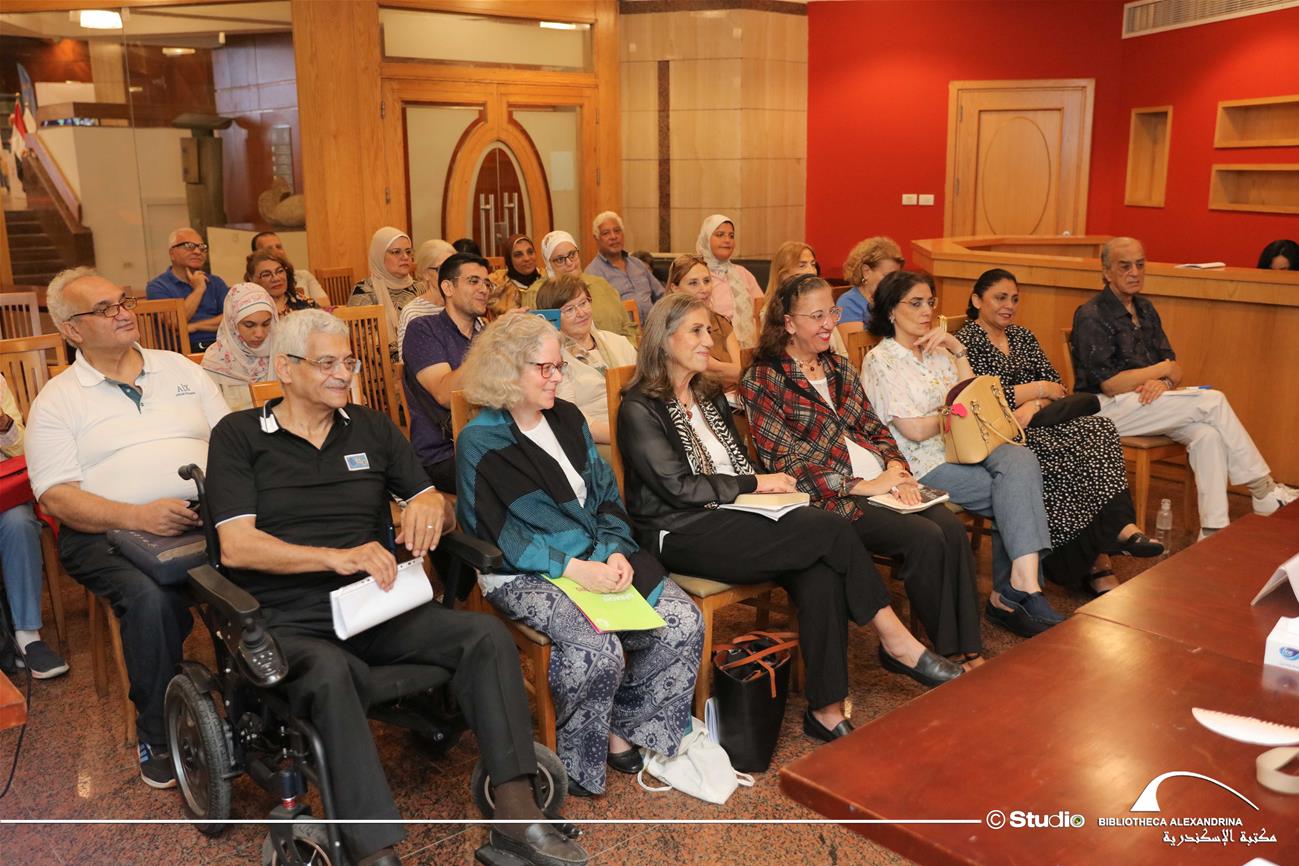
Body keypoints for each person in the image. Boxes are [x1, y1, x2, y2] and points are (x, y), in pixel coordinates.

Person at [204, 309, 585, 866]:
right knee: (331, 673)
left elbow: (432, 500)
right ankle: (374, 852)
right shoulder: (239, 435)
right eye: (327, 363)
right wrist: (336, 557)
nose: (343, 374)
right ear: (284, 368)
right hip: (288, 618)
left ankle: (516, 815)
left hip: (373, 605)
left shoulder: (371, 428)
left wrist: (430, 507)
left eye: (349, 362)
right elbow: (237, 546)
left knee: (483, 637)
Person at [620, 295, 961, 743]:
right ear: (664, 340)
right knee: (828, 529)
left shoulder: (706, 395)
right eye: (697, 332)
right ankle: (896, 640)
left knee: (820, 567)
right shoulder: (640, 407)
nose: (708, 342)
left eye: (709, 331)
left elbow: (737, 461)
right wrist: (756, 484)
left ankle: (826, 709)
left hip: (738, 513)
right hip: (680, 530)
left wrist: (765, 489)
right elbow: (678, 489)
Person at [455, 312, 703, 797]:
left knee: (682, 622)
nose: (556, 377)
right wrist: (573, 569)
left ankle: (627, 724)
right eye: (544, 368)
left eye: (559, 367)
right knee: (596, 650)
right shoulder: (480, 442)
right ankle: (580, 760)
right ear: (507, 369)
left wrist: (612, 551)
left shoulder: (567, 417)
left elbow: (607, 494)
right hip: (526, 571)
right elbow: (498, 534)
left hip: (598, 552)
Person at [27, 267, 229, 786]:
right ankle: (159, 734)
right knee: (151, 599)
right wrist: (137, 515)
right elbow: (56, 496)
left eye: (123, 301)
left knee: (264, 558)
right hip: (105, 533)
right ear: (72, 329)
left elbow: (231, 441)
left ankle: (263, 697)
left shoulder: (179, 368)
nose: (122, 313)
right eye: (104, 309)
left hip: (202, 513)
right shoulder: (58, 399)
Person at [740, 276, 984, 666]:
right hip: (833, 498)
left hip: (882, 482)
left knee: (951, 530)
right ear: (788, 323)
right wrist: (862, 485)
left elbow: (875, 428)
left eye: (832, 313)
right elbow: (784, 462)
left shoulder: (838, 368)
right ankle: (943, 652)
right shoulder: (763, 379)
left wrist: (896, 467)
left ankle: (969, 647)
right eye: (816, 316)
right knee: (924, 537)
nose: (828, 324)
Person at [862, 270, 1065, 638]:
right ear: (891, 310)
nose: (926, 311)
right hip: (921, 463)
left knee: (1022, 460)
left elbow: (975, 400)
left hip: (967, 446)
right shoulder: (881, 360)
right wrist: (956, 416)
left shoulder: (941, 350)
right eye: (915, 303)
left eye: (930, 302)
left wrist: (958, 350)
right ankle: (1015, 595)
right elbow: (914, 430)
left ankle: (1019, 588)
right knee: (1015, 491)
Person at [1070, 237, 1297, 538]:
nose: (1135, 272)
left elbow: (1175, 367)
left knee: (1207, 434)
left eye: (1140, 264)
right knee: (1212, 400)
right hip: (1104, 409)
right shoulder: (1091, 314)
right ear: (1106, 271)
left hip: (1147, 402)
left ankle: (1213, 531)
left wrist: (1163, 382)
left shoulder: (1145, 308)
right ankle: (1262, 489)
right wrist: (1160, 371)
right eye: (1125, 266)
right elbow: (1111, 384)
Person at [958, 268, 1163, 594]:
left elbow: (1058, 387)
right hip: (1001, 434)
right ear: (977, 300)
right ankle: (1101, 556)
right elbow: (982, 397)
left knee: (1100, 427)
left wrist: (1034, 403)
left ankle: (1118, 531)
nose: (1009, 305)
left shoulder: (1022, 336)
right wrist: (1037, 390)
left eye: (1015, 299)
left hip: (1041, 422)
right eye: (1000, 298)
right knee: (1078, 452)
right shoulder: (966, 342)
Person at [401, 252, 490, 493]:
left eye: (486, 283)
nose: (483, 289)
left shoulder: (484, 333)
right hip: (444, 454)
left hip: (490, 440)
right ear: (448, 287)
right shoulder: (423, 329)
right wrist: (491, 344)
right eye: (473, 281)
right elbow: (445, 394)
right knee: (515, 474)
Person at [0, 373, 68, 679]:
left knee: (19, 521)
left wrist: (4, 423)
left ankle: (27, 635)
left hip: (2, 492)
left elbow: (22, 450)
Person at [535, 274, 637, 445]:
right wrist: (622, 436)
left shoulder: (618, 342)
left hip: (636, 427)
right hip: (595, 440)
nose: (581, 313)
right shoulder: (554, 360)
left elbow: (646, 387)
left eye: (583, 303)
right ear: (552, 317)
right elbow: (569, 417)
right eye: (569, 309)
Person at [527, 231, 636, 340]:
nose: (569, 263)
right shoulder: (539, 294)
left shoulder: (600, 284)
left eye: (572, 254)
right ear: (549, 264)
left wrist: (627, 348)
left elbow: (627, 326)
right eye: (560, 259)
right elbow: (536, 339)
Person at [664, 254, 742, 388]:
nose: (704, 289)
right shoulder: (671, 326)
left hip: (731, 395)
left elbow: (738, 369)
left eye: (707, 281)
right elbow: (715, 369)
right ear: (675, 288)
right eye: (693, 283)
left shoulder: (721, 322)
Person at [145, 227, 228, 350]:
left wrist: (195, 326)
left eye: (202, 247)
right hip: (184, 350)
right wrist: (199, 290)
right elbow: (176, 323)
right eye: (189, 246)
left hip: (221, 346)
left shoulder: (216, 282)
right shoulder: (158, 286)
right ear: (172, 253)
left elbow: (231, 319)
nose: (197, 251)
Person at [349, 227, 426, 358]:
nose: (405, 257)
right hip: (383, 365)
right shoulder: (364, 291)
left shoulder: (420, 287)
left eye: (408, 251)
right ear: (379, 255)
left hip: (425, 357)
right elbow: (365, 344)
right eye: (396, 252)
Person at [201, 283, 277, 411]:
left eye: (266, 324)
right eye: (249, 325)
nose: (259, 334)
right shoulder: (215, 358)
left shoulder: (282, 351)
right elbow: (211, 411)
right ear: (233, 323)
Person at [763, 241, 847, 357]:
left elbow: (841, 351)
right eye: (802, 266)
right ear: (783, 274)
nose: (811, 271)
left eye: (813, 264)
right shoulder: (770, 312)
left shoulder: (823, 305)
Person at [584, 211, 664, 324]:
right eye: (606, 233)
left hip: (654, 327)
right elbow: (601, 316)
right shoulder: (593, 273)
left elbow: (661, 295)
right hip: (623, 331)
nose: (613, 237)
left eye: (617, 231)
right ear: (596, 239)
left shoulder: (638, 264)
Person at [696, 214, 763, 348]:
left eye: (731, 236)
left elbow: (760, 311)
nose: (727, 240)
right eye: (720, 235)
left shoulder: (743, 274)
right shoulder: (696, 273)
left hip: (747, 348)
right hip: (709, 347)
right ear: (706, 239)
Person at [397, 239, 455, 361]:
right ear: (426, 274)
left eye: (453, 268)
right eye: (442, 269)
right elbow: (407, 362)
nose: (450, 275)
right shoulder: (413, 313)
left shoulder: (463, 304)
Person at [838, 236, 904, 336]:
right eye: (887, 276)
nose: (894, 282)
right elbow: (856, 344)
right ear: (866, 272)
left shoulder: (897, 299)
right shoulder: (848, 303)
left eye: (896, 277)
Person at [250, 231, 329, 307]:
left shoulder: (303, 276)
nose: (277, 252)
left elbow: (325, 304)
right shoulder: (253, 293)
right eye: (269, 249)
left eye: (278, 247)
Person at [246, 248, 316, 316]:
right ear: (251, 279)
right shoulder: (248, 310)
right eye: (266, 275)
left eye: (280, 271)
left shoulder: (306, 305)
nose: (276, 278)